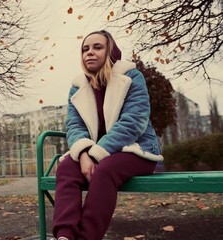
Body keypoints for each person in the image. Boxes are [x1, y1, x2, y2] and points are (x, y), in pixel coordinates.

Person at [52, 30, 163, 240]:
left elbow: (134, 122)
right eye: (85, 49)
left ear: (110, 51)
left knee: (105, 169)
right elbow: (74, 125)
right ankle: (64, 236)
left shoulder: (131, 77)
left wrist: (95, 155)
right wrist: (83, 153)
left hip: (136, 150)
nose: (89, 53)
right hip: (95, 152)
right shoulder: (77, 86)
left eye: (97, 47)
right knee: (66, 166)